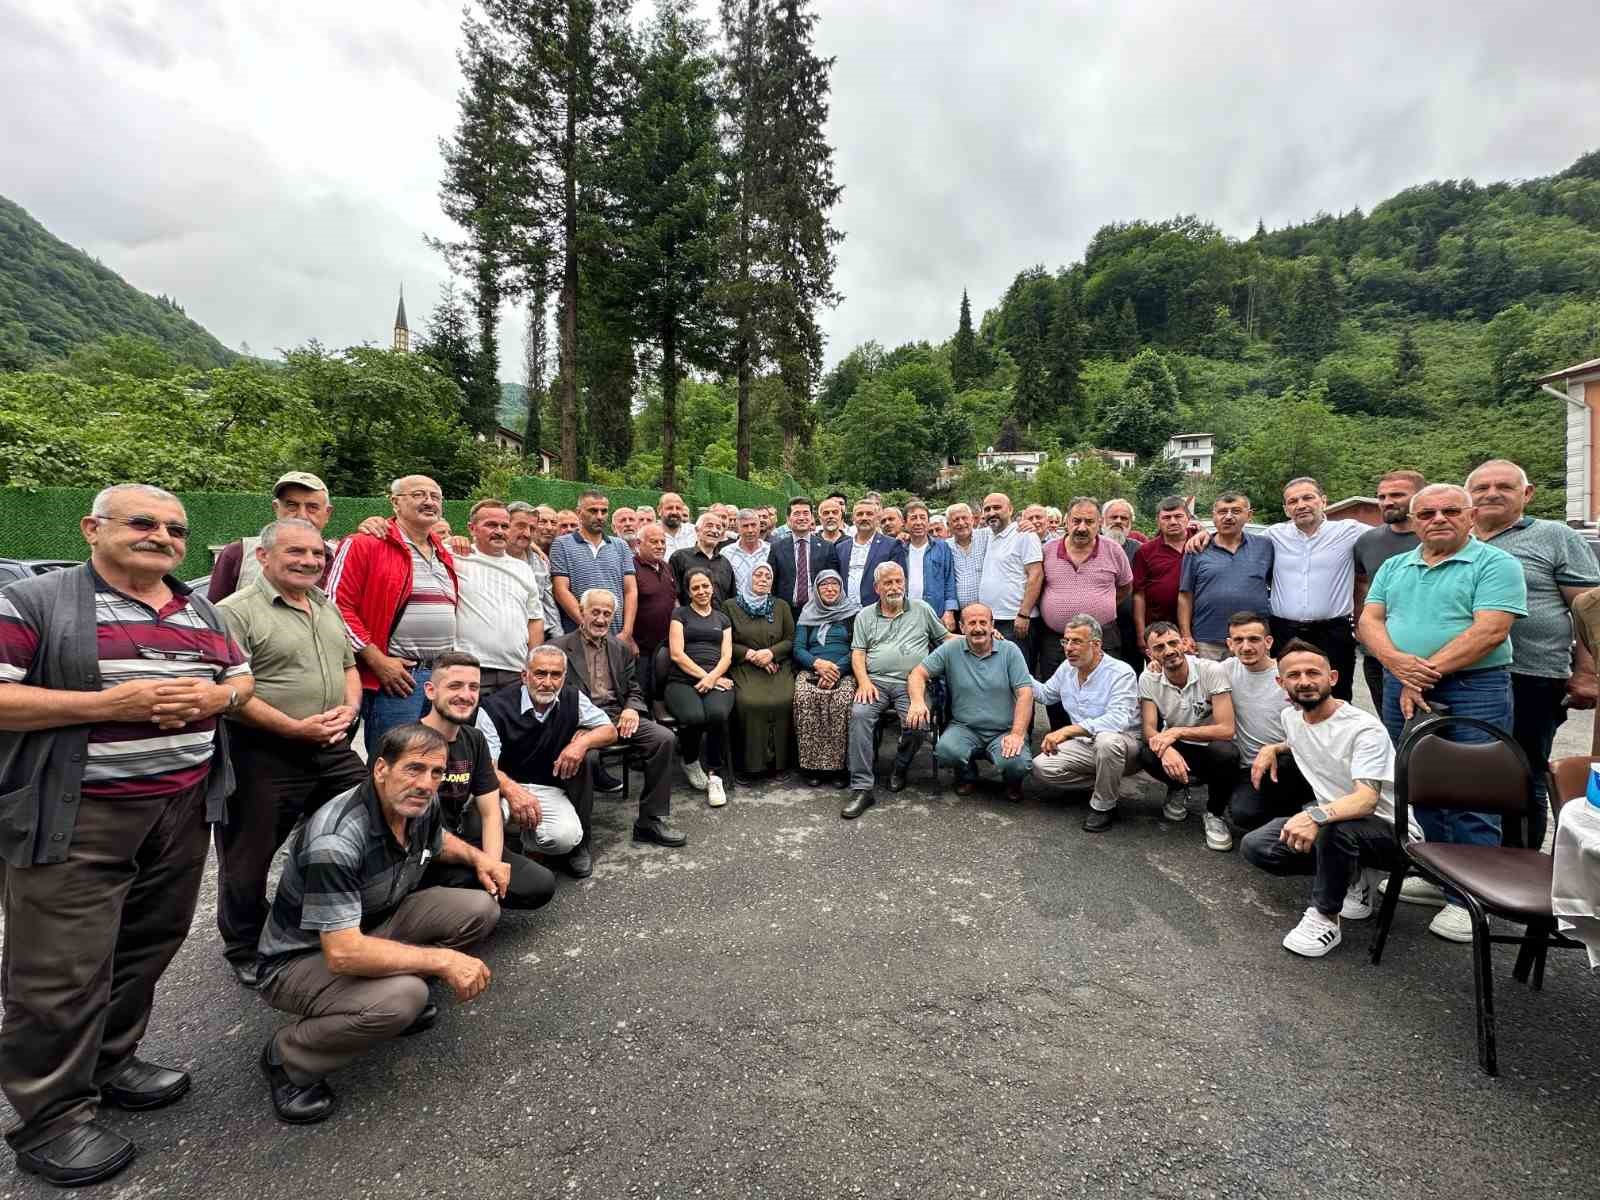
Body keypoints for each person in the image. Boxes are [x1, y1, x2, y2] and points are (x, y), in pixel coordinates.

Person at [0, 484, 253, 1187]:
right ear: (92, 528)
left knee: (148, 941)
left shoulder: (195, 605)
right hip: (78, 813)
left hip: (179, 807)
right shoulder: (38, 602)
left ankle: (110, 1062)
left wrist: (218, 696)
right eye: (142, 522)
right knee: (59, 971)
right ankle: (51, 1116)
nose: (162, 536)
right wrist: (106, 704)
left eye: (174, 528)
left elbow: (241, 678)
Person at [254, 724, 500, 1125]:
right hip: (302, 958)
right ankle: (289, 1057)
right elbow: (343, 953)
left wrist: (479, 859)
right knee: (402, 998)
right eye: (414, 769)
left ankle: (385, 996)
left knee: (479, 909)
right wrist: (443, 962)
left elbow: (437, 839)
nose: (426, 783)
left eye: (436, 773)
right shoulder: (336, 840)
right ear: (381, 769)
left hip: (373, 921)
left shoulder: (419, 803)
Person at [1358, 482, 1527, 942]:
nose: (1438, 519)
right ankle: (1438, 875)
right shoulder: (1396, 565)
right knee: (1420, 781)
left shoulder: (1495, 564)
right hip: (1402, 682)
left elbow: (1490, 630)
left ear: (1470, 516)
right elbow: (1369, 621)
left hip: (1475, 685)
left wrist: (1419, 675)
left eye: (1450, 510)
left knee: (1474, 789)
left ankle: (1472, 898)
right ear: (1413, 522)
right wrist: (1396, 665)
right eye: (1427, 513)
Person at [216, 518, 365, 988]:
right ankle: (244, 945)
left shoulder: (324, 605)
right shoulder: (233, 612)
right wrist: (294, 728)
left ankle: (328, 920)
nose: (309, 562)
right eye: (295, 553)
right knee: (248, 855)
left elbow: (348, 666)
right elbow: (228, 689)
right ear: (263, 556)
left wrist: (349, 710)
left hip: (331, 745)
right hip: (264, 752)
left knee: (364, 818)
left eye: (317, 555)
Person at [1240, 640, 1419, 959]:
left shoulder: (1364, 729)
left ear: (1333, 678)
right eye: (1293, 675)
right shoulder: (1290, 719)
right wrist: (1274, 749)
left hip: (1395, 833)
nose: (1305, 681)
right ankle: (1355, 876)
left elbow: (1366, 800)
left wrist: (1313, 817)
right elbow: (1302, 738)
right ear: (1281, 683)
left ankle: (1325, 917)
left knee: (1335, 829)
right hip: (1341, 820)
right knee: (1258, 846)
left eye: (1313, 672)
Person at [1468, 458, 1600, 850]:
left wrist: (1587, 671)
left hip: (1531, 674)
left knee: (1521, 770)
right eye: (1482, 488)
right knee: (1468, 770)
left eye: (1504, 487)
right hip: (1467, 675)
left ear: (1526, 494)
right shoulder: (1457, 537)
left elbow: (1589, 610)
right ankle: (1469, 859)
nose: (1492, 494)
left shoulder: (1555, 537)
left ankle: (1518, 863)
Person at [327, 474, 459, 755]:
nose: (429, 501)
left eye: (435, 497)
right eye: (418, 494)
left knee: (429, 758)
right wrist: (377, 660)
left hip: (438, 675)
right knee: (394, 761)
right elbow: (336, 606)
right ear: (395, 502)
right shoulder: (365, 543)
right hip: (398, 678)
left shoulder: (442, 552)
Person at [417, 652, 557, 908]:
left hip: (465, 845)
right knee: (479, 902)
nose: (466, 695)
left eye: (474, 687)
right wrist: (479, 862)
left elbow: (491, 813)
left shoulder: (474, 739)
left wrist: (492, 864)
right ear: (430, 691)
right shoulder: (408, 743)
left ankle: (470, 894)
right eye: (455, 686)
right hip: (423, 853)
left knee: (540, 884)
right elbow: (416, 834)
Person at [553, 590, 685, 847]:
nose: (601, 619)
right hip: (580, 720)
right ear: (581, 612)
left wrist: (632, 708)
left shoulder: (620, 647)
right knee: (586, 757)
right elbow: (553, 695)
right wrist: (577, 725)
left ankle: (649, 822)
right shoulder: (559, 648)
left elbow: (633, 687)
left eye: (607, 614)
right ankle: (580, 839)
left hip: (616, 715)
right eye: (595, 612)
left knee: (664, 738)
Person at [477, 644, 616, 878]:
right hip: (501, 786)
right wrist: (513, 791)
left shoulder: (571, 697)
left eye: (556, 675)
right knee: (480, 822)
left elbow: (610, 730)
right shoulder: (494, 707)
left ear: (564, 676)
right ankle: (502, 851)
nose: (548, 682)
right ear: (525, 676)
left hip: (547, 787)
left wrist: (580, 744)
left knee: (566, 837)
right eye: (540, 673)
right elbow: (486, 768)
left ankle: (527, 845)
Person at [843, 562, 953, 819]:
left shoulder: (922, 610)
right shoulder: (865, 615)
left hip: (911, 684)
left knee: (918, 724)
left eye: (898, 581)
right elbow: (858, 653)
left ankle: (900, 767)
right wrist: (864, 682)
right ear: (877, 587)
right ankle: (862, 788)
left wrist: (981, 636)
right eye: (888, 583)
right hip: (876, 683)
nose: (894, 587)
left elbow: (947, 639)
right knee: (859, 715)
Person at [1250, 477, 1366, 701]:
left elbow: (1391, 534)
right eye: (1293, 501)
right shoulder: (1274, 535)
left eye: (1307, 498)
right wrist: (1206, 534)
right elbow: (1236, 542)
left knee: (1337, 695)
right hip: (1284, 631)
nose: (1300, 505)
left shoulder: (1349, 531)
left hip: (1333, 631)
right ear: (1286, 509)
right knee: (1286, 695)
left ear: (1323, 501)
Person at [908, 602, 1034, 801]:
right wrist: (917, 701)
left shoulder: (1010, 651)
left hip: (1005, 729)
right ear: (962, 626)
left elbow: (1025, 693)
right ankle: (967, 775)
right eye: (972, 622)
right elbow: (918, 673)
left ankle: (1012, 782)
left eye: (983, 622)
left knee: (1017, 763)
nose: (978, 628)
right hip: (965, 727)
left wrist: (1017, 734)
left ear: (993, 625)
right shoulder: (951, 649)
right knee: (945, 750)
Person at [1029, 615, 1142, 830]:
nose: (1068, 648)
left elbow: (1117, 720)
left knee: (1107, 742)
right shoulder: (1067, 668)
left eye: (1076, 641)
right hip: (1085, 743)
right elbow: (1045, 694)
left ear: (1097, 644)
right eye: (1066, 641)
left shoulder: (1121, 672)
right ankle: (1105, 782)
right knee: (1041, 767)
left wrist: (1068, 731)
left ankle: (1104, 806)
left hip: (1126, 745)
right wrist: (1014, 666)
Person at [1137, 622, 1239, 850]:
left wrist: (1176, 731)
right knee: (1147, 753)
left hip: (1211, 747)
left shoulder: (1210, 670)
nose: (1169, 651)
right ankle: (1178, 786)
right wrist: (1167, 750)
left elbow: (1226, 729)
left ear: (1184, 643)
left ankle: (1214, 813)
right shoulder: (1148, 678)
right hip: (1180, 747)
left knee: (1226, 751)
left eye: (1173, 643)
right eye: (1159, 647)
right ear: (1149, 653)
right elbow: (1149, 729)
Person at [1218, 612, 1305, 833]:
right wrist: (1156, 667)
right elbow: (1188, 668)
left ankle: (1303, 812)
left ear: (1268, 642)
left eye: (1254, 639)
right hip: (1250, 767)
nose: (1246, 647)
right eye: (1238, 640)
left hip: (1291, 758)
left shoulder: (1289, 676)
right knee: (1243, 815)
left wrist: (1275, 748)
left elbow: (1315, 728)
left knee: (1286, 764)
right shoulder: (1226, 670)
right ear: (1230, 644)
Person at [1038, 497, 1132, 692]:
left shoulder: (1114, 550)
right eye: (1076, 520)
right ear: (1066, 521)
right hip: (1057, 640)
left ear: (1100, 523)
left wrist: (1103, 605)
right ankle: (1062, 725)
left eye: (1089, 522)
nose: (1082, 527)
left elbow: (1125, 586)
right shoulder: (1047, 551)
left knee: (1104, 692)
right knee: (1057, 695)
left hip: (1102, 638)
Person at [452, 498, 544, 695]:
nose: (500, 531)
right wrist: (448, 541)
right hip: (470, 669)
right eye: (491, 525)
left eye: (504, 525)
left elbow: (535, 619)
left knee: (512, 726)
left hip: (514, 671)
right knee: (468, 726)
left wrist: (532, 664)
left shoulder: (523, 569)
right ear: (472, 528)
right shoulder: (455, 558)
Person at [1352, 471, 1425, 707]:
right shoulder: (1367, 541)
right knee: (1390, 725)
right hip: (1378, 653)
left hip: (1426, 654)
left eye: (1397, 495)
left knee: (1433, 732)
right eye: (1381, 496)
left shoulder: (1437, 538)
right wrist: (1361, 630)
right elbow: (1361, 585)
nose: (1387, 501)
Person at [207, 470, 337, 601]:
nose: (302, 515)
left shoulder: (340, 558)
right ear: (276, 508)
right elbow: (213, 615)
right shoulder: (239, 553)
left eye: (312, 507)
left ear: (328, 514)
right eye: (291, 505)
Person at [666, 569, 736, 807]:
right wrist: (709, 678)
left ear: (712, 587)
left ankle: (714, 774)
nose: (701, 591)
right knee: (693, 716)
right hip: (682, 679)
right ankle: (691, 760)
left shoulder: (722, 618)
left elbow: (726, 656)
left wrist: (714, 677)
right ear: (688, 591)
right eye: (695, 588)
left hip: (717, 676)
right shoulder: (679, 614)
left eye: (705, 586)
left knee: (716, 714)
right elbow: (676, 654)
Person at [1178, 492, 1273, 660]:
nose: (1228, 517)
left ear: (1249, 515)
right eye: (1222, 512)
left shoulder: (1265, 546)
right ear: (1213, 516)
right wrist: (1186, 635)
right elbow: (1185, 596)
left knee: (1254, 684)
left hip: (1253, 639)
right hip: (1208, 639)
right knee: (1211, 686)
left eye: (1236, 511)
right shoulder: (1196, 549)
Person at [723, 563, 796, 781]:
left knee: (786, 699)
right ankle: (748, 766)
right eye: (758, 575)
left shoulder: (781, 606)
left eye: (768, 576)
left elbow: (791, 639)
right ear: (748, 578)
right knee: (749, 702)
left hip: (776, 665)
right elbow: (724, 642)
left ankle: (779, 764)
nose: (763, 579)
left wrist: (771, 653)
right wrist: (751, 655)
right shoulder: (730, 606)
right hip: (744, 665)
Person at [793, 569, 860, 787]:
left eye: (834, 584)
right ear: (817, 589)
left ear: (841, 588)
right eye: (824, 585)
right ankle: (812, 766)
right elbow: (798, 648)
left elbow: (858, 649)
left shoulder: (852, 614)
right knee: (805, 698)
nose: (830, 589)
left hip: (844, 671)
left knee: (842, 703)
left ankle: (839, 768)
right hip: (813, 668)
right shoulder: (808, 613)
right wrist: (817, 664)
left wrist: (836, 670)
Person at [549, 490, 637, 644]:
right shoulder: (562, 544)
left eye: (604, 511)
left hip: (617, 638)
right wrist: (590, 626)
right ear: (579, 513)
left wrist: (627, 632)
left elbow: (630, 591)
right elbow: (560, 590)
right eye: (593, 511)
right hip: (578, 638)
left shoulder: (621, 546)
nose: (599, 516)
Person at [977, 492, 1044, 668]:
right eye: (987, 509)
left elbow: (1036, 575)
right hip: (991, 621)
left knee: (1019, 676)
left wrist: (1024, 613)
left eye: (997, 508)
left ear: (1011, 510)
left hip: (1016, 621)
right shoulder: (986, 536)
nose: (992, 512)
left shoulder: (1024, 535)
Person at [1131, 496, 1190, 653]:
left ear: (1188, 518)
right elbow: (1139, 595)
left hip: (1199, 625)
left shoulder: (1201, 544)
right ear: (1158, 521)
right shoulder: (1145, 551)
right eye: (1166, 517)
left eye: (1178, 516)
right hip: (1159, 629)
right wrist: (1140, 633)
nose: (1172, 522)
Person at [630, 523, 679, 702]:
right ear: (638, 543)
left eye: (662, 541)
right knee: (641, 692)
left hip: (666, 645)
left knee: (661, 691)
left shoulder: (666, 567)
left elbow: (674, 600)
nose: (660, 546)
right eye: (654, 542)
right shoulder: (631, 567)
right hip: (640, 647)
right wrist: (630, 639)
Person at [508, 501, 564, 644]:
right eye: (521, 526)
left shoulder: (540, 563)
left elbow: (548, 605)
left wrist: (559, 640)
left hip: (537, 638)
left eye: (532, 528)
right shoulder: (492, 556)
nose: (527, 533)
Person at [902, 500, 959, 632]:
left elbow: (949, 580)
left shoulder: (942, 547)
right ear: (905, 523)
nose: (918, 522)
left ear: (928, 522)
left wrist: (949, 612)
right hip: (905, 616)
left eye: (922, 518)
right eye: (913, 518)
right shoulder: (899, 548)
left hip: (936, 614)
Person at [770, 496, 831, 614]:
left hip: (819, 611)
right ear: (788, 519)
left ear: (812, 518)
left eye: (806, 513)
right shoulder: (777, 548)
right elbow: (772, 583)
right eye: (797, 513)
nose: (802, 517)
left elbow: (833, 581)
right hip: (786, 612)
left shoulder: (827, 548)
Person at [670, 512, 736, 606]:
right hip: (688, 619)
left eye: (718, 527)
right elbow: (673, 595)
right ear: (697, 530)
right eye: (709, 526)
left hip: (720, 618)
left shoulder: (725, 563)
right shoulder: (679, 557)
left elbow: (731, 597)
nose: (714, 530)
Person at [945, 501, 991, 610]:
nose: (961, 523)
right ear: (948, 525)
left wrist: (1025, 525)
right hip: (961, 614)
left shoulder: (987, 535)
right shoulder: (946, 546)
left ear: (972, 519)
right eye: (955, 520)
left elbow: (1006, 529)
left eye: (964, 518)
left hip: (988, 610)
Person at [721, 508, 773, 600]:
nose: (750, 530)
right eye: (745, 526)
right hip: (737, 608)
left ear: (759, 526)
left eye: (753, 525)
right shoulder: (726, 553)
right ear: (738, 528)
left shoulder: (771, 550)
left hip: (766, 607)